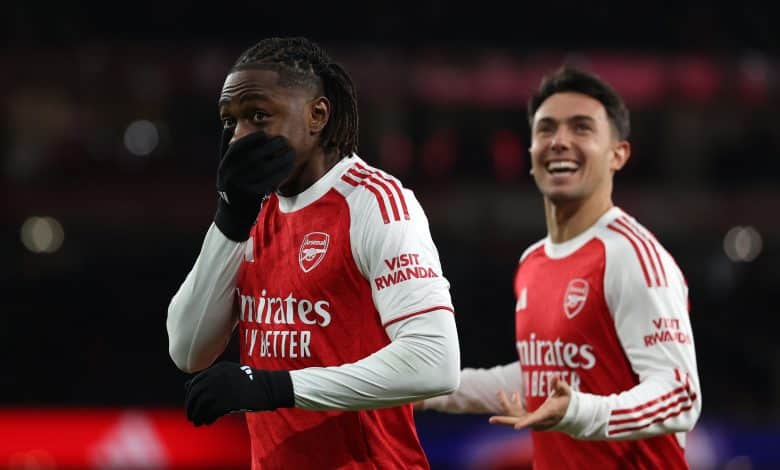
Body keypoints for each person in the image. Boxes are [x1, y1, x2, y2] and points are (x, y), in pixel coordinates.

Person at [166, 37, 460, 469]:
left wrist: (275, 387)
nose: (238, 137)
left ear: (317, 115)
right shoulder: (249, 213)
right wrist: (229, 219)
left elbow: (436, 363)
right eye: (229, 122)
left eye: (258, 116)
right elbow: (188, 350)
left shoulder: (376, 203)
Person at [418, 66, 701, 469]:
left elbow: (680, 396)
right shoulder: (533, 261)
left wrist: (580, 412)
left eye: (581, 128)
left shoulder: (632, 256)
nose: (560, 141)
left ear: (618, 154)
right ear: (531, 153)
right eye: (546, 129)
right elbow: (540, 379)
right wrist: (429, 389)